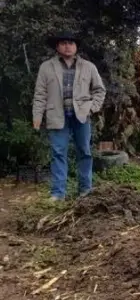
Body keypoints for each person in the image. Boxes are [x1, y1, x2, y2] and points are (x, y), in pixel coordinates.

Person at [32, 31, 106, 200]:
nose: (68, 46)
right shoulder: (46, 67)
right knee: (58, 153)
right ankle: (58, 193)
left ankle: (85, 190)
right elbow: (40, 94)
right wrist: (37, 116)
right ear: (57, 46)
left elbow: (100, 90)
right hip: (57, 116)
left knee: (85, 152)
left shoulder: (88, 67)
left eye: (71, 43)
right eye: (64, 43)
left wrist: (92, 108)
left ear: (76, 47)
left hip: (81, 116)